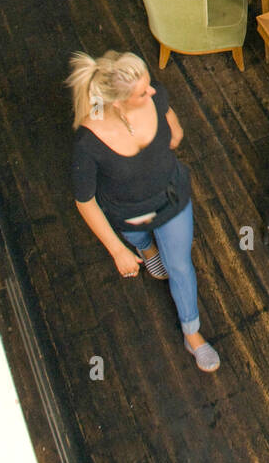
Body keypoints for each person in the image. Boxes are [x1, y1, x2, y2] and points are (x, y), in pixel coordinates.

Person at [67, 50, 220, 373]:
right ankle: (146, 248)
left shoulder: (155, 94)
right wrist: (117, 251)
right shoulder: (89, 141)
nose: (152, 92)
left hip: (171, 199)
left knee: (180, 265)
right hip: (128, 213)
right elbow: (85, 201)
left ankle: (191, 334)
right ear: (118, 103)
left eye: (149, 85)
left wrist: (174, 131)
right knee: (140, 238)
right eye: (142, 92)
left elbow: (169, 118)